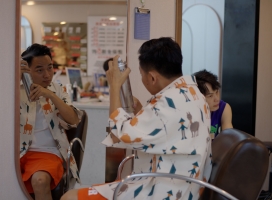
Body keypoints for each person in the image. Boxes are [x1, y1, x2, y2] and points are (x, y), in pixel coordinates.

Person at [61, 37, 212, 200]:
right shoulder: (193, 94)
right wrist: (141, 110)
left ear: (152, 77)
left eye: (142, 75)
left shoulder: (166, 105)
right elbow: (165, 131)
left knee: (69, 197)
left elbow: (118, 135)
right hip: (186, 187)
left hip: (159, 191)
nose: (142, 79)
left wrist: (114, 87)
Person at [20, 43, 83, 200]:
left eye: (50, 67)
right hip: (17, 152)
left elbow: (74, 120)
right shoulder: (15, 90)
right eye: (40, 70)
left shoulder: (57, 89)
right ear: (27, 71)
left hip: (48, 152)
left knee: (40, 181)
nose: (47, 74)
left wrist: (51, 95)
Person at [193, 69, 233, 139]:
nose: (217, 99)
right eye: (210, 96)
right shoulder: (191, 111)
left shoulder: (223, 108)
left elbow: (229, 139)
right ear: (198, 97)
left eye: (217, 92)